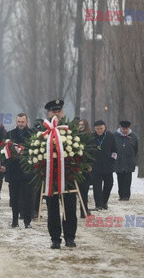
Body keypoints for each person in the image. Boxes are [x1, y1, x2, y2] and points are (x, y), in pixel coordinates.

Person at [43, 99, 78, 249]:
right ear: (49, 113)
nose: (56, 113)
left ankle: (70, 237)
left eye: (59, 111)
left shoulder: (70, 129)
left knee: (70, 207)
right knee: (52, 209)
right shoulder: (42, 130)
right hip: (51, 176)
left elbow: (79, 150)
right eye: (54, 111)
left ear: (62, 113)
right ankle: (55, 238)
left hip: (68, 175)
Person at [4, 113, 34, 228]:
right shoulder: (10, 134)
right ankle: (14, 220)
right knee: (14, 198)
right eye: (19, 122)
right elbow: (5, 153)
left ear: (27, 122)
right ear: (16, 122)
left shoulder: (32, 134)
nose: (21, 124)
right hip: (14, 170)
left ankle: (27, 221)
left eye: (23, 122)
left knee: (28, 198)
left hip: (27, 171)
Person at [91, 120, 118, 211]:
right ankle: (98, 204)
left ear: (104, 127)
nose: (99, 130)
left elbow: (115, 150)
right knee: (97, 186)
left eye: (101, 128)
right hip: (96, 166)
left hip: (108, 165)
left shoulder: (110, 136)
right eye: (97, 129)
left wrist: (112, 160)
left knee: (109, 184)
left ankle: (104, 202)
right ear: (95, 129)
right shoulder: (91, 137)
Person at [113, 120, 139, 201]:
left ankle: (126, 196)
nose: (124, 131)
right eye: (123, 129)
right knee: (120, 179)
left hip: (129, 161)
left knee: (128, 179)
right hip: (118, 161)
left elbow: (136, 149)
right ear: (120, 128)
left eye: (126, 129)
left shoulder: (133, 136)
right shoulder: (115, 136)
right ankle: (121, 195)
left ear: (129, 128)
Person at [78, 119, 93, 218]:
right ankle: (83, 209)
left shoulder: (90, 137)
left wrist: (90, 165)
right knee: (80, 190)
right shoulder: (75, 136)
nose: (81, 126)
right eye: (79, 124)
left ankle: (84, 209)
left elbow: (92, 151)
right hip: (77, 166)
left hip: (86, 166)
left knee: (84, 190)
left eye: (82, 124)